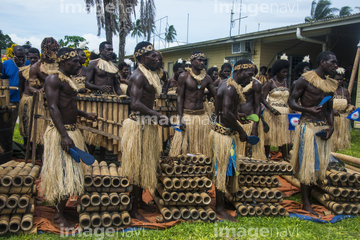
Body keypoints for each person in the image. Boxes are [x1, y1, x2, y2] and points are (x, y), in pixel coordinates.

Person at [41, 47, 97, 227]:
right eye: (74, 61)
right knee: (64, 173)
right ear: (63, 61)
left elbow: (69, 105)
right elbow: (53, 108)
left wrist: (84, 115)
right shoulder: (53, 79)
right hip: (61, 133)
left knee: (71, 173)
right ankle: (58, 216)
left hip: (72, 130)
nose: (78, 64)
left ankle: (62, 211)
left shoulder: (69, 80)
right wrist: (64, 136)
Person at [121, 42, 170, 222]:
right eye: (153, 56)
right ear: (142, 58)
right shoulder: (138, 76)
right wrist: (158, 116)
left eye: (158, 56)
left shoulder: (149, 74)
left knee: (144, 164)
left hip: (147, 124)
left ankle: (139, 201)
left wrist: (156, 118)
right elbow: (135, 104)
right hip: (138, 126)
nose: (157, 59)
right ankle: (133, 209)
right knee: (136, 166)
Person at [289, 51, 338, 216]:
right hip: (308, 127)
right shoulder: (305, 79)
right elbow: (291, 101)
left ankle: (312, 194)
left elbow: (329, 108)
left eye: (336, 63)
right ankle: (306, 202)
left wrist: (331, 127)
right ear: (323, 62)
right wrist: (306, 109)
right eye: (332, 62)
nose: (335, 66)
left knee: (319, 165)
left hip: (323, 127)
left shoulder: (331, 84)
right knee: (307, 166)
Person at [209, 59, 252, 221]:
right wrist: (241, 130)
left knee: (227, 168)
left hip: (224, 131)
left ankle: (223, 201)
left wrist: (237, 115)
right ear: (240, 71)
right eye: (249, 74)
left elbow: (223, 110)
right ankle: (219, 208)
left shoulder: (228, 84)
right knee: (222, 170)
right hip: (223, 134)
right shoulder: (229, 88)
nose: (250, 78)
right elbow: (225, 114)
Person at [169, 51, 216, 157]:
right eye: (199, 60)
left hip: (201, 116)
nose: (202, 62)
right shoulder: (184, 76)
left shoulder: (207, 78)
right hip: (187, 115)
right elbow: (180, 98)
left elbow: (216, 95)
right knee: (184, 147)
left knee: (201, 146)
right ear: (192, 61)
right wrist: (180, 117)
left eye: (203, 60)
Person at [85, 41, 123, 160]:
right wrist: (98, 88)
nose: (110, 52)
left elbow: (116, 86)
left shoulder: (114, 67)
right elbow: (87, 83)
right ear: (101, 50)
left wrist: (123, 97)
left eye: (112, 50)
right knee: (94, 128)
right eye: (108, 50)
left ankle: (103, 157)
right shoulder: (93, 65)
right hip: (97, 100)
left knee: (108, 129)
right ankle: (90, 157)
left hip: (111, 102)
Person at [28, 37, 60, 153]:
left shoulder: (60, 64)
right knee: (42, 133)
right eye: (53, 50)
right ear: (46, 50)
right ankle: (42, 158)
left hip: (59, 101)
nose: (55, 53)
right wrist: (39, 91)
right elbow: (30, 87)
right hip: (43, 104)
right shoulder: (36, 67)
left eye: (56, 50)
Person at [262, 54, 292, 160]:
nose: (285, 74)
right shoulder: (270, 83)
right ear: (277, 71)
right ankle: (266, 156)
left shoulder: (286, 82)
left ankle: (285, 156)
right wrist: (271, 109)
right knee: (269, 135)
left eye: (286, 71)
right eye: (283, 72)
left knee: (283, 134)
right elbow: (262, 98)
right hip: (271, 112)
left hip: (284, 112)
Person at [237, 76, 266, 160]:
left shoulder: (255, 84)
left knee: (252, 153)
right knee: (239, 151)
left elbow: (258, 106)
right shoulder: (234, 83)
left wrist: (255, 127)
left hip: (251, 120)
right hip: (238, 121)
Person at [2, 45, 30, 130]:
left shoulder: (28, 63)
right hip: (11, 99)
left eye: (23, 56)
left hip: (24, 99)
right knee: (9, 124)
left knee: (26, 124)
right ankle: (8, 142)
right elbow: (2, 80)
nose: (21, 59)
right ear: (14, 54)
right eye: (19, 57)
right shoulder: (6, 64)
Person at [18, 48, 40, 145]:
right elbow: (21, 88)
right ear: (27, 58)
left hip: (39, 101)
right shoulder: (22, 72)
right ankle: (28, 149)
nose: (33, 60)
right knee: (27, 126)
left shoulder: (42, 72)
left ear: (39, 57)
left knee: (38, 127)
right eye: (31, 58)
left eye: (35, 58)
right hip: (27, 100)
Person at [332, 67, 355, 151]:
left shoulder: (345, 91)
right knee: (333, 138)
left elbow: (348, 104)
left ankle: (341, 150)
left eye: (341, 80)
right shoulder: (329, 91)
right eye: (337, 79)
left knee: (342, 140)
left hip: (343, 118)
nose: (339, 81)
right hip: (332, 118)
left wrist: (351, 108)